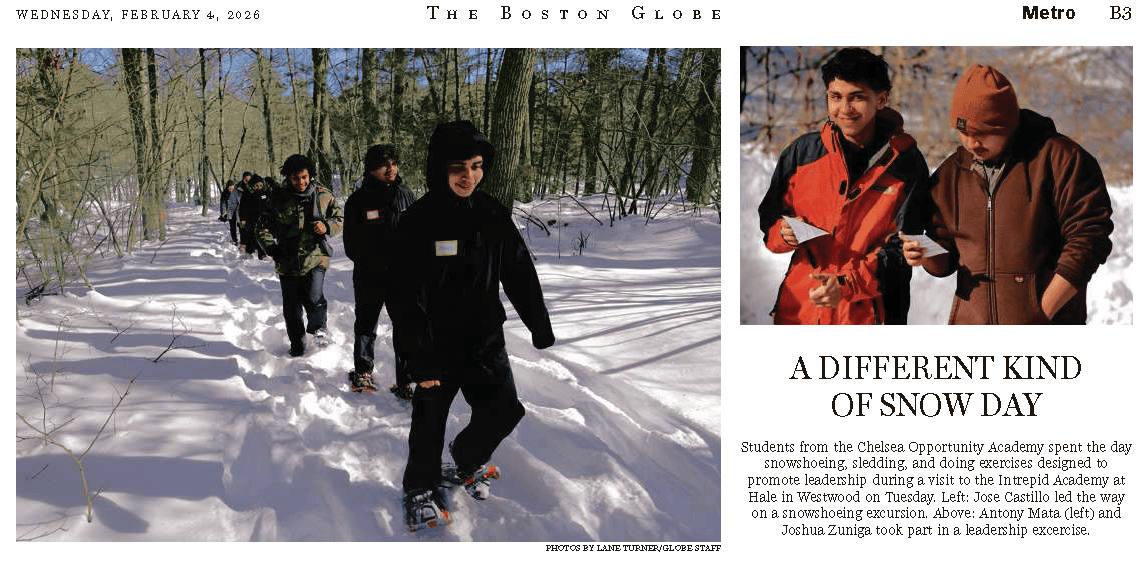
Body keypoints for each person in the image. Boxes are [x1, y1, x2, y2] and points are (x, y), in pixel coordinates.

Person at [393, 121, 555, 531]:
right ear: (439, 169)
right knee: (428, 424)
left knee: (504, 410)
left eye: (477, 165)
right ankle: (419, 487)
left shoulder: (492, 213)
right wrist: (418, 357)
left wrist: (538, 323)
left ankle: (464, 458)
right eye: (459, 167)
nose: (470, 176)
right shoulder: (418, 220)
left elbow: (519, 271)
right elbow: (403, 295)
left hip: (485, 339)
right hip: (435, 344)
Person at [903, 65, 1113, 324]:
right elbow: (946, 257)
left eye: (982, 133)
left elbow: (1089, 240)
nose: (971, 143)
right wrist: (926, 254)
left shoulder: (1061, 160)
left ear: (1007, 125)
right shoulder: (951, 174)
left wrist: (1040, 314)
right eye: (964, 132)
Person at [757, 47, 929, 324]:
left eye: (857, 98)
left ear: (881, 99)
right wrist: (783, 233)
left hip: (872, 317)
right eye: (835, 97)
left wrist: (849, 285)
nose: (844, 109)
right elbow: (769, 220)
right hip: (799, 312)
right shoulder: (802, 153)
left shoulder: (906, 163)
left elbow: (904, 250)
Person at [343, 144, 416, 395]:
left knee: (406, 327)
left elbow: (418, 235)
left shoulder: (407, 196)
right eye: (385, 164)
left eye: (394, 163)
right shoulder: (357, 201)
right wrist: (374, 261)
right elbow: (351, 245)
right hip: (369, 276)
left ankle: (406, 381)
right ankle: (363, 372)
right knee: (366, 326)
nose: (391, 168)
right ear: (371, 169)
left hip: (402, 276)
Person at [257, 155, 344, 356]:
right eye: (296, 178)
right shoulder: (277, 199)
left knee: (314, 297)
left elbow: (339, 217)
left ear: (310, 176)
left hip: (316, 257)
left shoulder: (323, 195)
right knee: (291, 307)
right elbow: (262, 228)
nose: (301, 182)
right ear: (288, 178)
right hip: (287, 260)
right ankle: (297, 342)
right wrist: (272, 248)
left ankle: (319, 330)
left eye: (304, 177)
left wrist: (327, 226)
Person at [237, 174, 271, 259]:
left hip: (262, 219)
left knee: (262, 236)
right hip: (250, 218)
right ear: (252, 185)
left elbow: (269, 206)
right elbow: (242, 208)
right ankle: (249, 252)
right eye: (256, 185)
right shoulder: (247, 193)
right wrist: (243, 219)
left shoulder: (265, 193)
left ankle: (262, 254)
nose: (258, 187)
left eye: (260, 185)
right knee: (250, 235)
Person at [219, 180, 240, 246]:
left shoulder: (237, 192)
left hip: (238, 211)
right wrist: (223, 213)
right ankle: (235, 240)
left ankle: (243, 240)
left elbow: (240, 201)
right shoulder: (224, 193)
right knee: (232, 227)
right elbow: (223, 203)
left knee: (240, 226)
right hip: (230, 211)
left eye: (232, 187)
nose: (231, 189)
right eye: (229, 188)